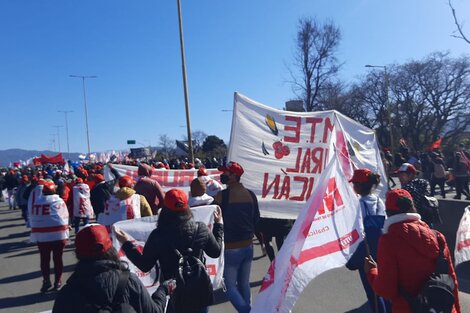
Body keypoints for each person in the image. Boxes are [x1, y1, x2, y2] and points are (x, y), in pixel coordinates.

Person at [115, 188, 224, 313]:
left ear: (165, 209)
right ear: (187, 207)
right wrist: (218, 225)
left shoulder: (158, 235)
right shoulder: (201, 228)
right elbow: (215, 252)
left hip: (174, 291)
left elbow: (145, 265)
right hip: (200, 288)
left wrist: (127, 243)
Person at [365, 189, 461, 312]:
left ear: (388, 213)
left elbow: (386, 290)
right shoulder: (437, 236)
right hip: (442, 308)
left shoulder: (388, 241)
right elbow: (452, 279)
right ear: (413, 207)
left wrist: (372, 272)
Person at [52, 224, 174, 313]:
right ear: (111, 249)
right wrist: (163, 290)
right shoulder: (129, 282)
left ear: (78, 254)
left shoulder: (67, 293)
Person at [213, 161, 260, 313]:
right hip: (248, 247)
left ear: (234, 176)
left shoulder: (221, 196)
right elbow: (256, 219)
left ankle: (247, 311)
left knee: (229, 287)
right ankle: (249, 309)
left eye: (226, 172)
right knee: (244, 284)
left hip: (231, 249)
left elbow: (213, 221)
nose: (222, 175)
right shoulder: (251, 195)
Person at [346, 169, 390, 313]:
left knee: (372, 290)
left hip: (366, 251)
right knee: (384, 288)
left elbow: (355, 229)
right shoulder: (379, 201)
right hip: (382, 249)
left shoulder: (359, 204)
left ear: (358, 186)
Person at [29, 180, 69, 292]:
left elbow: (34, 217)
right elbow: (64, 216)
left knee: (44, 259)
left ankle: (46, 281)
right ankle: (58, 281)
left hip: (42, 236)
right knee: (58, 259)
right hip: (58, 235)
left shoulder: (37, 202)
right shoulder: (59, 201)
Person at [396, 163, 434, 227]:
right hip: (428, 221)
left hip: (414, 222)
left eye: (402, 175)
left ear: (410, 175)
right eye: (398, 175)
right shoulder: (424, 184)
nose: (399, 177)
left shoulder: (407, 188)